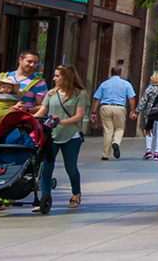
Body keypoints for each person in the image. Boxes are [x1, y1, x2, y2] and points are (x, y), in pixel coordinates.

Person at [38, 65, 86, 211]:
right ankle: (45, 198)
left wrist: (61, 122)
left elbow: (78, 116)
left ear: (67, 77)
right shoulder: (51, 93)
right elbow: (42, 111)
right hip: (51, 135)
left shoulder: (80, 94)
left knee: (70, 167)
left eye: (57, 76)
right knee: (45, 167)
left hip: (71, 135)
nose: (54, 78)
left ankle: (76, 194)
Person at [90, 63, 137, 160]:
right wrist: (132, 110)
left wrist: (93, 112)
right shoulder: (126, 84)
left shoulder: (104, 84)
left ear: (110, 73)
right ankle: (116, 142)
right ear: (120, 74)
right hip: (119, 108)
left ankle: (105, 154)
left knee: (108, 130)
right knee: (119, 128)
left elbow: (97, 99)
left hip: (105, 107)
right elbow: (131, 98)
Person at [138, 72, 158, 160]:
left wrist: (137, 111)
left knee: (148, 131)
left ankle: (148, 150)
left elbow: (143, 100)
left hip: (149, 112)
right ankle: (157, 153)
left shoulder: (149, 88)